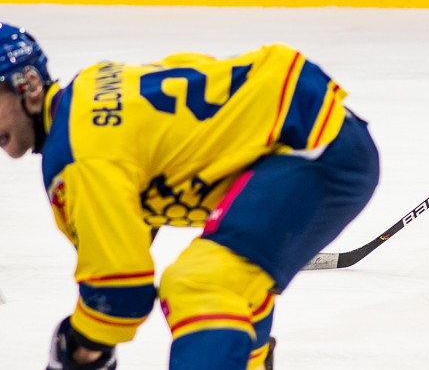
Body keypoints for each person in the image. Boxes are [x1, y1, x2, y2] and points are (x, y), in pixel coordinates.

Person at [0, 24, 380, 370]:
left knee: (200, 284)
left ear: (28, 85)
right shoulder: (90, 84)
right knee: (229, 272)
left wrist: (79, 346)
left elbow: (120, 294)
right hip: (307, 124)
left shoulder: (77, 158)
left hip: (314, 145)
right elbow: (193, 74)